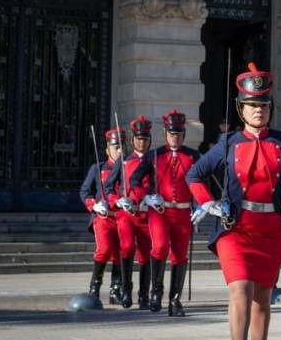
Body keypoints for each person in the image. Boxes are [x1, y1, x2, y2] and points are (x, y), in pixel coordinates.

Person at [188, 62, 281, 340]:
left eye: (263, 105)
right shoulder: (228, 142)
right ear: (241, 108)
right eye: (252, 105)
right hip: (235, 228)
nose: (259, 111)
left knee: (263, 298)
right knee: (240, 288)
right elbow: (195, 174)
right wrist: (207, 203)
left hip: (270, 228)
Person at [128, 108, 201, 316]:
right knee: (159, 247)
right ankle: (155, 293)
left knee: (179, 256)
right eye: (171, 134)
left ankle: (175, 300)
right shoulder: (154, 155)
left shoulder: (193, 156)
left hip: (183, 213)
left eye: (178, 134)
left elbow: (203, 179)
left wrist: (202, 203)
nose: (175, 138)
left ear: (183, 134)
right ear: (164, 134)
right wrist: (146, 196)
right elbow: (134, 179)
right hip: (160, 211)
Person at [104, 115, 153, 309]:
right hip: (126, 212)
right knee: (126, 247)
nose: (142, 142)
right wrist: (117, 200)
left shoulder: (155, 159)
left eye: (145, 139)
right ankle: (126, 291)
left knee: (146, 254)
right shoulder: (124, 161)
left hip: (146, 213)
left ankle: (144, 295)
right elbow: (108, 186)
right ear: (132, 140)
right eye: (139, 138)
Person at [80, 128, 125, 304]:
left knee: (120, 253)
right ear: (107, 150)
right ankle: (94, 286)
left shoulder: (128, 168)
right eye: (115, 147)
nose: (119, 151)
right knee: (104, 250)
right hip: (104, 217)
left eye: (122, 147)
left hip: (121, 217)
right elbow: (85, 191)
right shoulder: (98, 168)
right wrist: (94, 204)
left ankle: (116, 290)